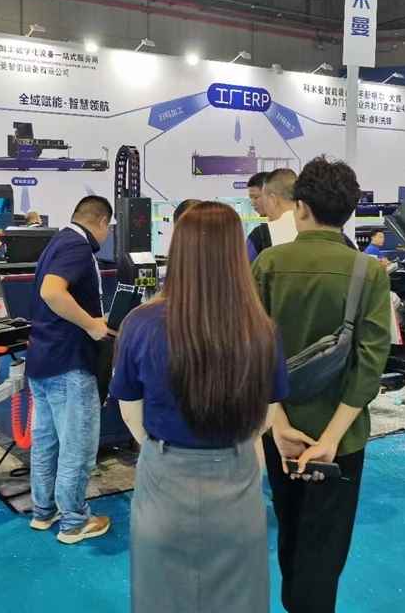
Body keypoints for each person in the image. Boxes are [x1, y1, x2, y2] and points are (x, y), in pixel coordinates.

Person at [111, 201, 297, 613]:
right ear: (236, 253)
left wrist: (158, 447)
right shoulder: (262, 330)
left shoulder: (139, 324)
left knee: (161, 601)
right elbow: (266, 414)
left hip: (164, 483)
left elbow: (130, 409)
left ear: (178, 250)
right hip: (236, 483)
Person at [253, 156, 392, 613]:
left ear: (301, 207)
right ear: (348, 211)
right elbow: (370, 363)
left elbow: (253, 352)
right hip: (342, 439)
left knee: (290, 531)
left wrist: (278, 423)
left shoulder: (269, 263)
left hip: (282, 433)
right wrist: (330, 440)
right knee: (326, 545)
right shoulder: (368, 271)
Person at [25, 195, 114, 544]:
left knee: (47, 442)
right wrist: (92, 325)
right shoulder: (78, 246)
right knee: (77, 446)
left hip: (43, 359)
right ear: (103, 222)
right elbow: (52, 292)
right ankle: (75, 521)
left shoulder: (57, 241)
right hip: (70, 362)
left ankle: (43, 511)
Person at [249, 168, 298, 262]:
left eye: (265, 200)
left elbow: (240, 267)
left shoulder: (260, 234)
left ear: (272, 199)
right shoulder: (314, 229)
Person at [246, 172, 272, 257]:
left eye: (256, 197)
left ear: (272, 197)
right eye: (251, 198)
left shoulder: (258, 235)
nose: (252, 203)